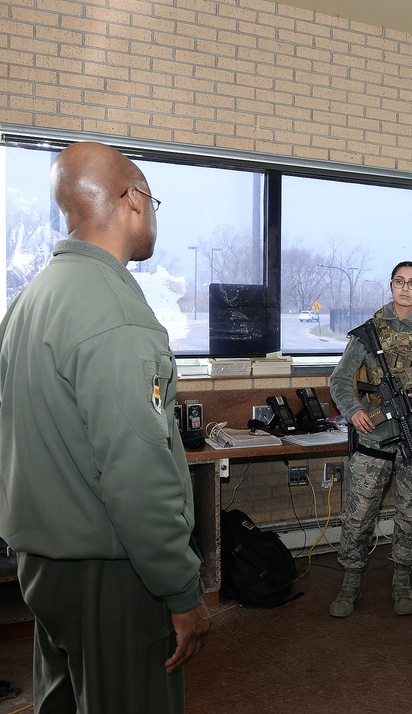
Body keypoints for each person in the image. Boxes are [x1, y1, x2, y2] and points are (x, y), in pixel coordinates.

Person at [0, 142, 211, 712]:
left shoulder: (29, 301)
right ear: (132, 200)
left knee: (63, 699)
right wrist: (182, 590)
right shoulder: (116, 313)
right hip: (113, 571)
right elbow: (138, 473)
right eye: (153, 200)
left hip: (43, 564)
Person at [329, 261, 412, 617]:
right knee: (358, 516)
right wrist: (354, 411)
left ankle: (402, 580)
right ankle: (350, 583)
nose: (405, 288)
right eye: (399, 281)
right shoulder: (369, 330)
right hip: (374, 440)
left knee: (410, 517)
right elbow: (340, 380)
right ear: (391, 286)